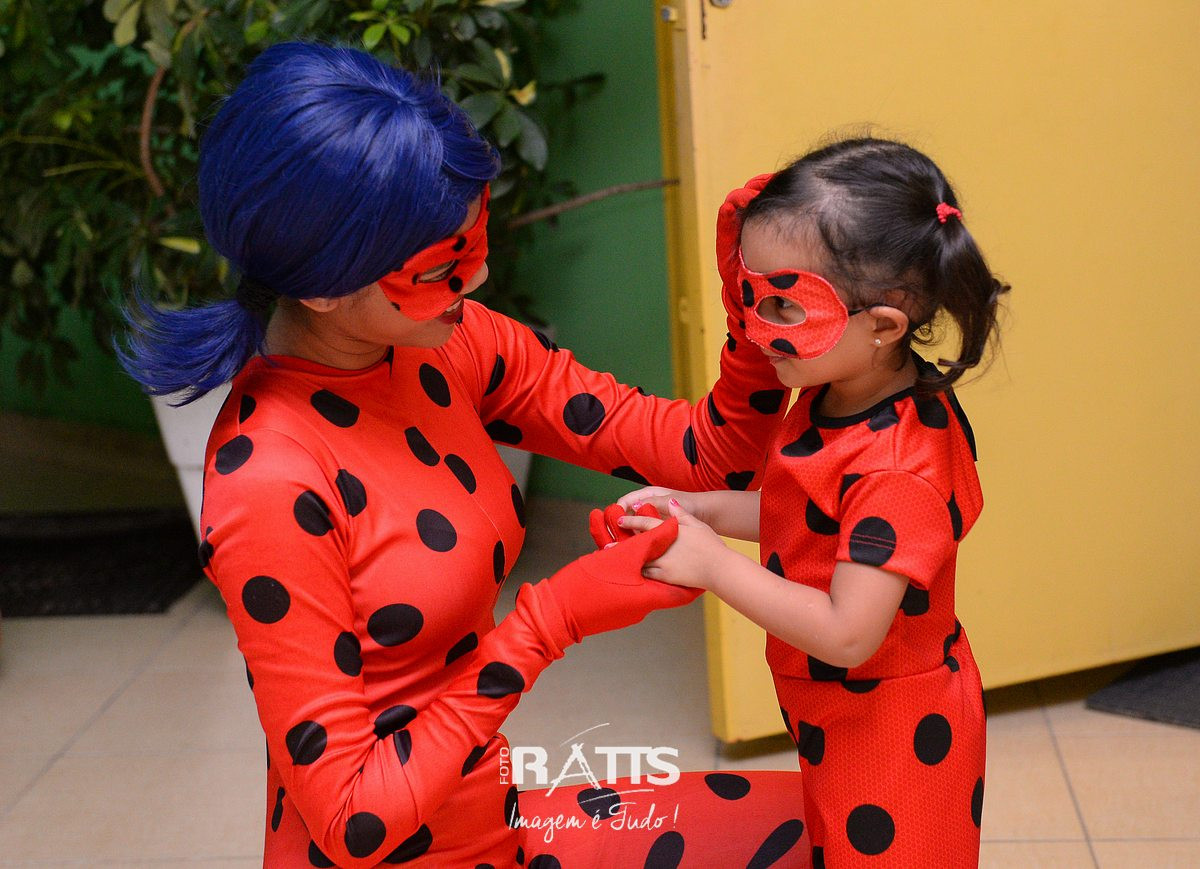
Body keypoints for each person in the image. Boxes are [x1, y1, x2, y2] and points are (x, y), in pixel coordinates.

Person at [119, 42, 810, 868]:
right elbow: (353, 820)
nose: (475, 280)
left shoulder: (450, 344)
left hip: (493, 827)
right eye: (442, 266)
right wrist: (549, 621)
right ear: (324, 286)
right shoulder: (269, 477)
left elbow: (711, 458)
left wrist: (756, 315)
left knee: (827, 828)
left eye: (473, 240)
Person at [615, 137, 1009, 867]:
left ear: (883, 325)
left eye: (785, 306)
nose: (756, 326)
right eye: (752, 296)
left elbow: (848, 633)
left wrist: (713, 566)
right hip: (834, 711)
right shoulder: (832, 392)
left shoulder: (900, 467)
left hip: (894, 734)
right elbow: (805, 514)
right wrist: (700, 510)